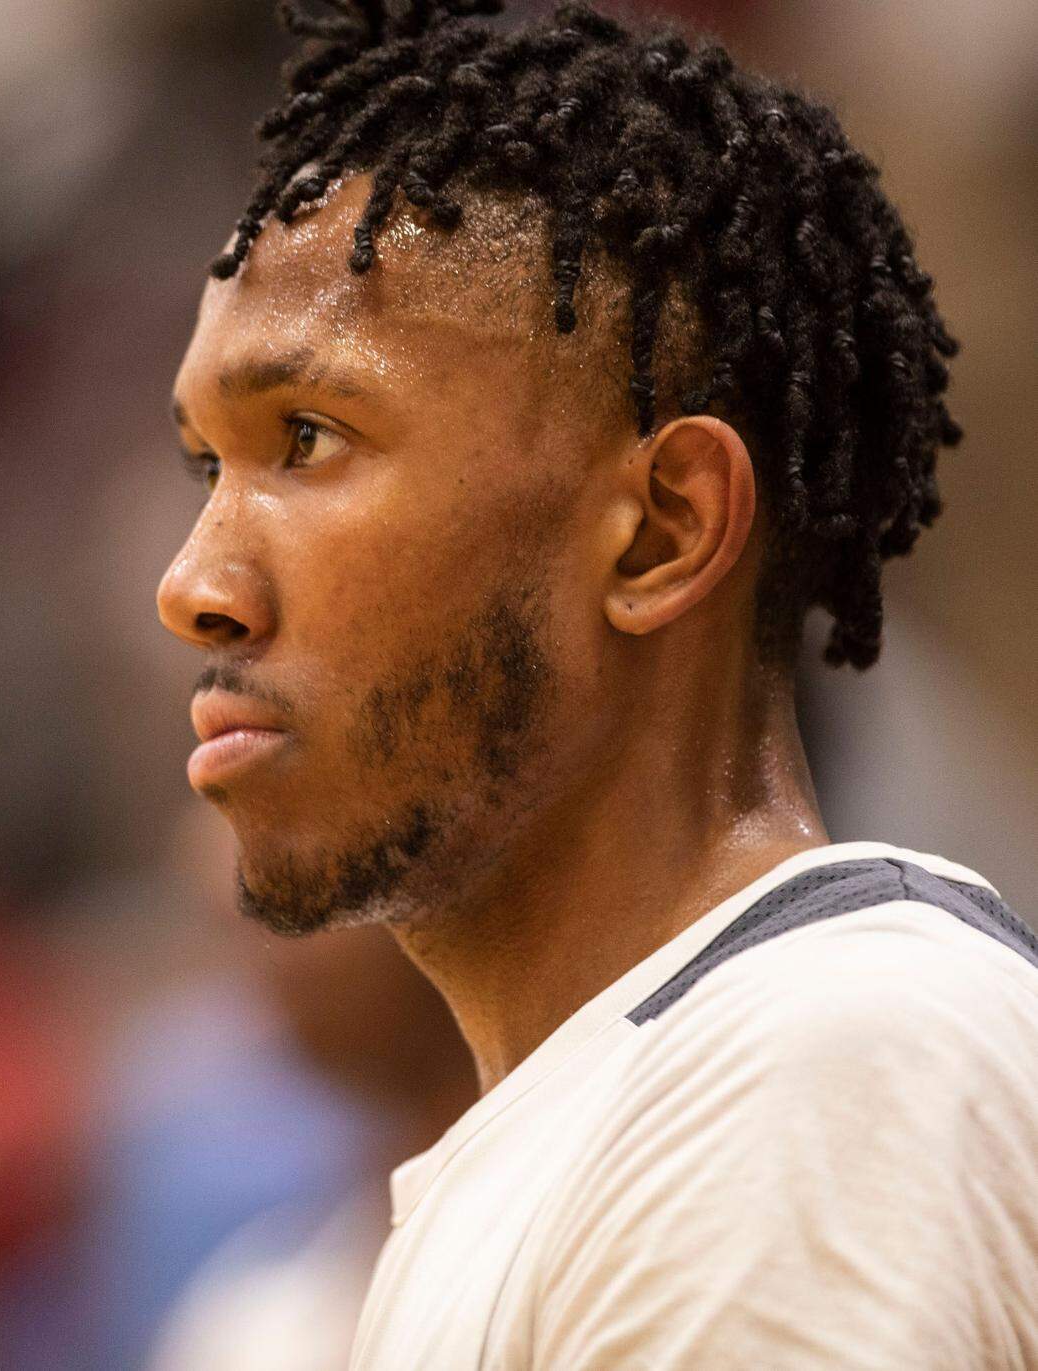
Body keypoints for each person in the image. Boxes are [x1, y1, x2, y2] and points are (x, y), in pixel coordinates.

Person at [155, 1, 1038, 1366]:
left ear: (663, 528)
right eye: (209, 465)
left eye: (309, 439)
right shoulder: (598, 1117)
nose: (193, 582)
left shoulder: (818, 1066)